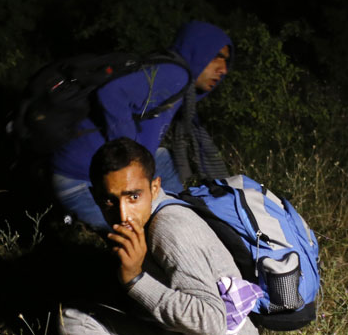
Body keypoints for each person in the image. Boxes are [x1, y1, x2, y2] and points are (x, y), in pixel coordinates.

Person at [57, 138, 274, 335]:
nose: (123, 213)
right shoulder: (147, 219)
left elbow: (213, 325)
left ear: (155, 186)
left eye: (133, 196)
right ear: (95, 198)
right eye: (109, 200)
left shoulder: (169, 230)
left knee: (72, 319)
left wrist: (136, 281)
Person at [51, 21, 233, 230]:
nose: (224, 69)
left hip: (82, 172)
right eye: (218, 56)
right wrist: (131, 157)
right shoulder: (175, 74)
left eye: (227, 61)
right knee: (139, 245)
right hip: (80, 180)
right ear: (198, 49)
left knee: (177, 211)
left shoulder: (177, 79)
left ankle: (187, 219)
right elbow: (111, 93)